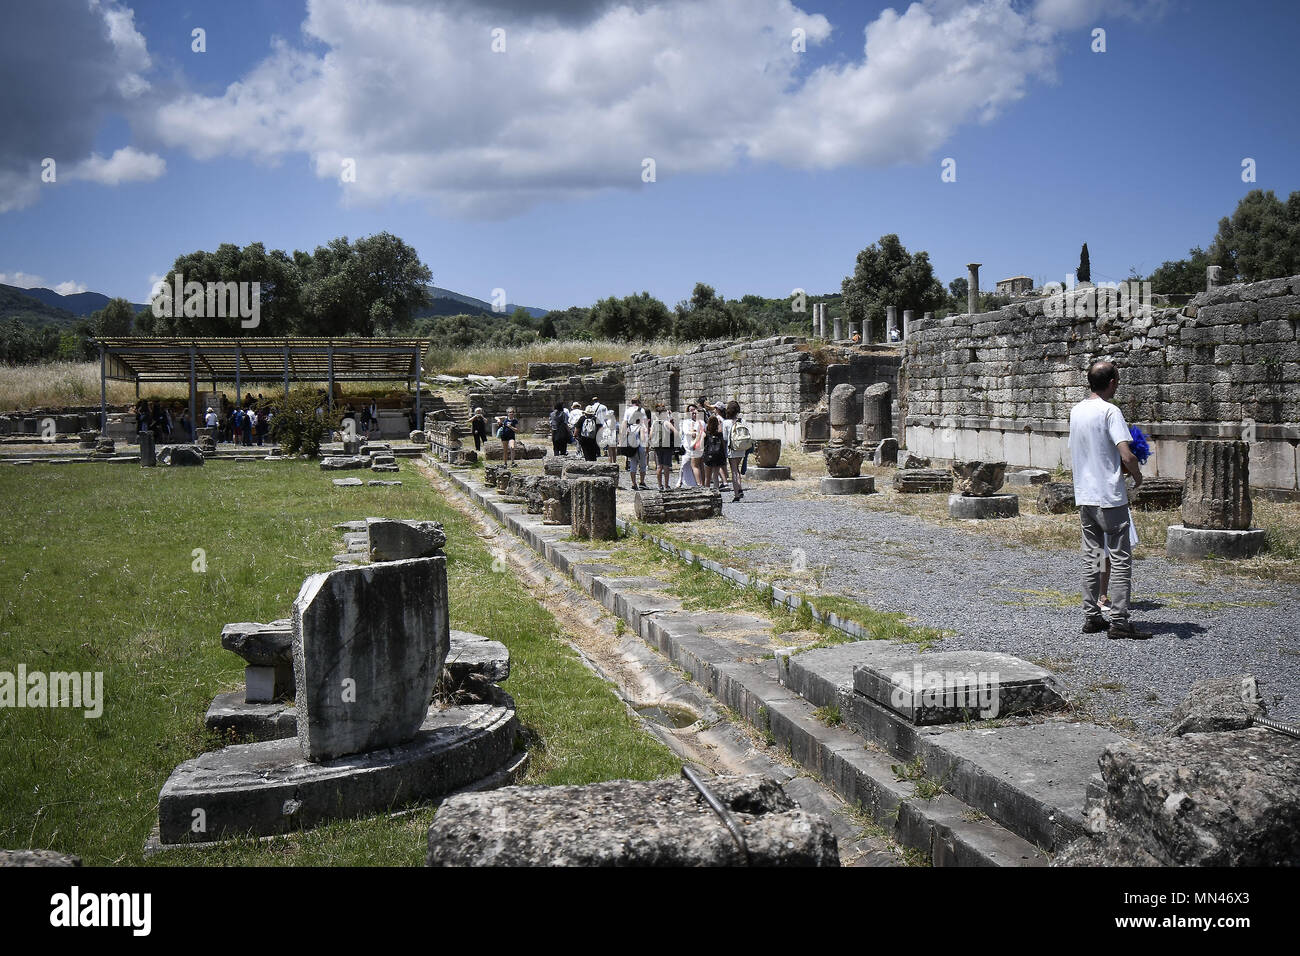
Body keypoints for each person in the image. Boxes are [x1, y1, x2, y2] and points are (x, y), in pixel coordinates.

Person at [1069, 360, 1149, 640]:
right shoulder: (1110, 411)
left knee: (1092, 556)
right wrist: (1137, 475)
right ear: (1113, 382)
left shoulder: (1076, 411)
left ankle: (1092, 616)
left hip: (1085, 495)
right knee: (1120, 558)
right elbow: (1125, 454)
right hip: (1110, 496)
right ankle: (1119, 620)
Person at [723, 400, 749, 502]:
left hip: (731, 448)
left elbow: (725, 438)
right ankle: (740, 488)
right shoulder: (742, 421)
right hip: (741, 447)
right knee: (737, 469)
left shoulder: (726, 423)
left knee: (734, 471)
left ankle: (737, 494)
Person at [649, 403, 678, 491]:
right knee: (666, 467)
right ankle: (666, 485)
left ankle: (659, 485)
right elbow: (676, 432)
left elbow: (650, 436)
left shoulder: (654, 423)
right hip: (667, 447)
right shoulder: (666, 423)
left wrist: (653, 443)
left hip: (657, 447)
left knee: (659, 466)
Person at [622, 396, 648, 489]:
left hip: (631, 445)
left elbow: (624, 423)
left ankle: (633, 483)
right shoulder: (642, 411)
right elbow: (643, 434)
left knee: (632, 464)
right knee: (642, 465)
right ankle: (642, 482)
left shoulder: (627, 411)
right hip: (639, 446)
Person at [678, 403, 703, 487]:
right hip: (687, 445)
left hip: (697, 445)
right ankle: (680, 480)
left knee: (696, 465)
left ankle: (697, 482)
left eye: (693, 410)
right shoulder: (686, 421)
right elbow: (685, 431)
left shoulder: (700, 421)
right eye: (690, 411)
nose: (692, 412)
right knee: (684, 463)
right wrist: (694, 433)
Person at [701, 413, 727, 488]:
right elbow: (723, 445)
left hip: (708, 456)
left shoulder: (705, 434)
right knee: (715, 475)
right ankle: (716, 491)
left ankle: (707, 492)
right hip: (718, 456)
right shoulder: (720, 434)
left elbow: (701, 445)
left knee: (708, 477)